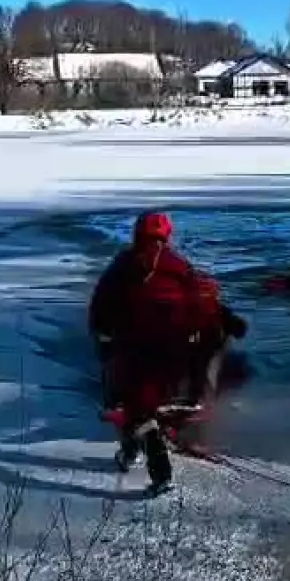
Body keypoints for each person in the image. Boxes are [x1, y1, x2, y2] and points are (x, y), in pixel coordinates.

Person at [87, 211, 245, 494]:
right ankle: (133, 449)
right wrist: (203, 331)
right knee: (143, 402)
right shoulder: (179, 264)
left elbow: (101, 303)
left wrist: (101, 333)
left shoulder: (125, 264)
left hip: (135, 349)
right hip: (176, 352)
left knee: (137, 408)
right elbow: (200, 304)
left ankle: (159, 472)